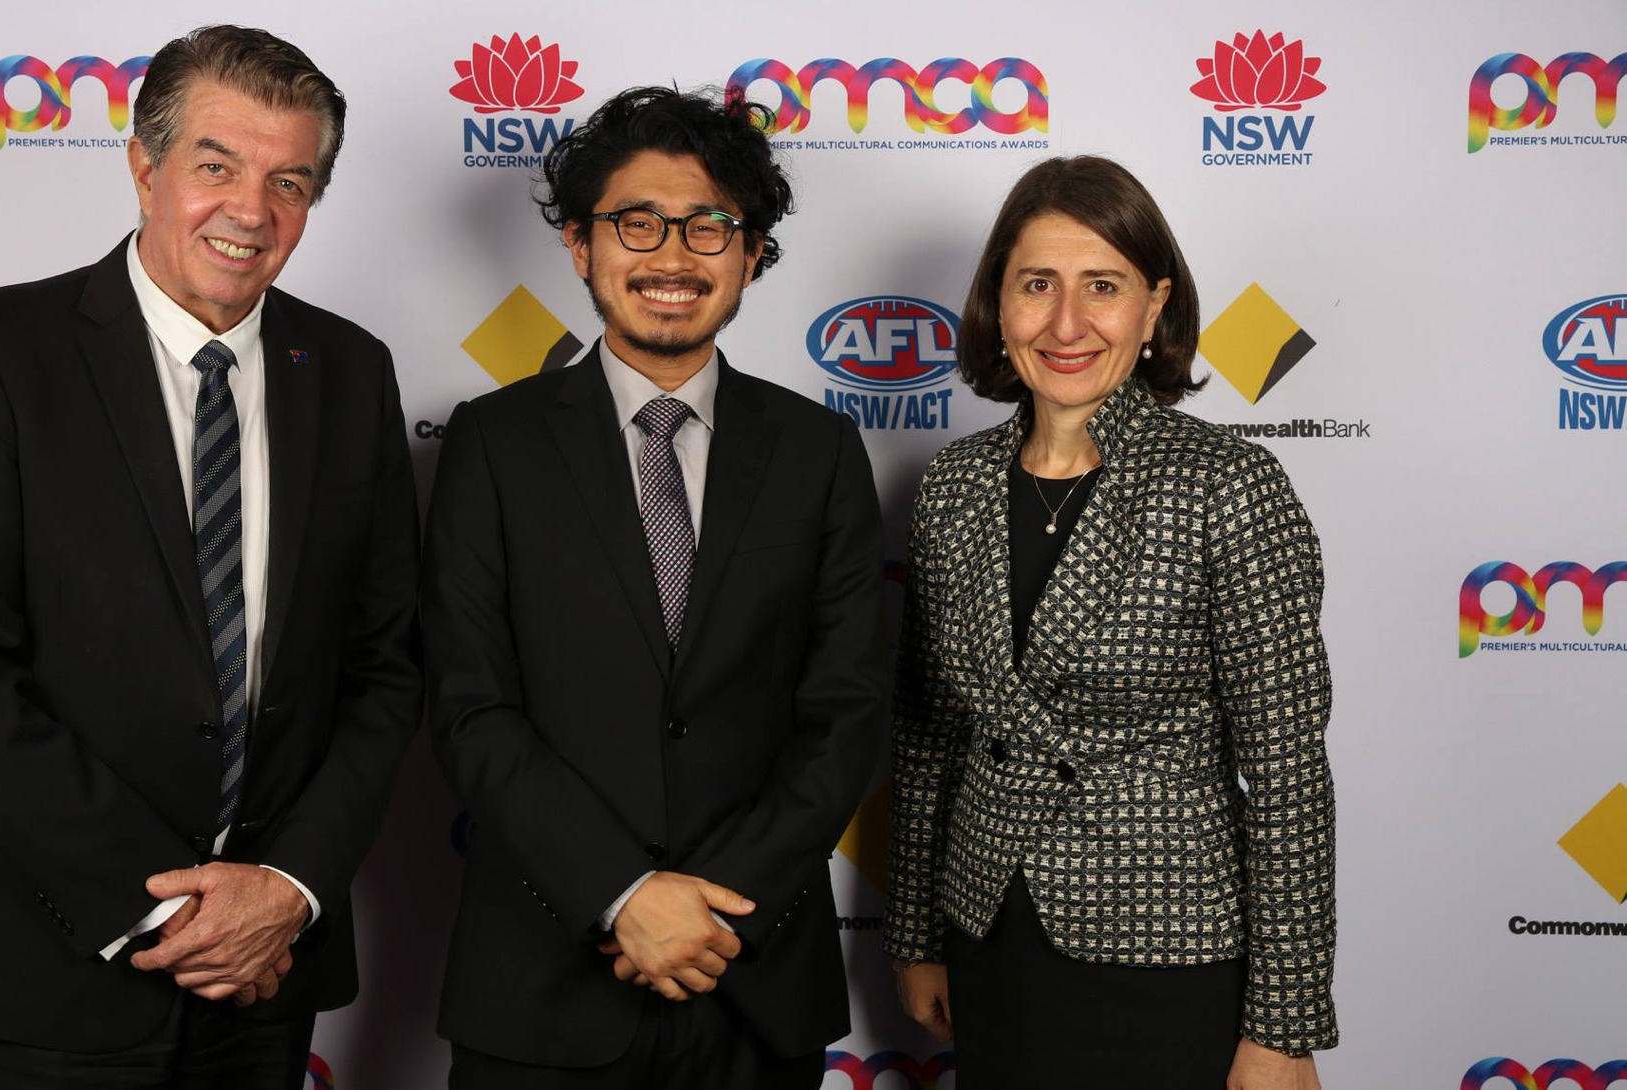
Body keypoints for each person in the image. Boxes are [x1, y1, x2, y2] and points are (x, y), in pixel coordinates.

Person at [0, 25, 421, 1089]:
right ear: (144, 166)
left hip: (265, 969)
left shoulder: (350, 369)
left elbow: (385, 666)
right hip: (47, 967)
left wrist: (284, 889)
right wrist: (175, 911)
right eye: (215, 166)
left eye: (288, 182)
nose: (250, 211)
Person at [422, 86, 890, 1088]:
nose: (672, 256)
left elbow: (847, 711)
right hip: (544, 981)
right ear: (579, 245)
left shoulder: (818, 450)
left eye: (708, 225)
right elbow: (470, 707)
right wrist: (623, 893)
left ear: (750, 253)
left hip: (751, 973)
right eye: (636, 222)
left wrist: (711, 906)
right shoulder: (493, 444)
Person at [885, 156, 1335, 1090]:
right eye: (1036, 285)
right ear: (997, 301)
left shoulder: (1227, 486)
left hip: (1166, 948)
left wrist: (1284, 1028)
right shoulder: (953, 485)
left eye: (1103, 286)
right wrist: (918, 934)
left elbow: (1287, 773)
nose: (1066, 324)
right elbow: (929, 737)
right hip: (988, 935)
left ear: (1154, 306)